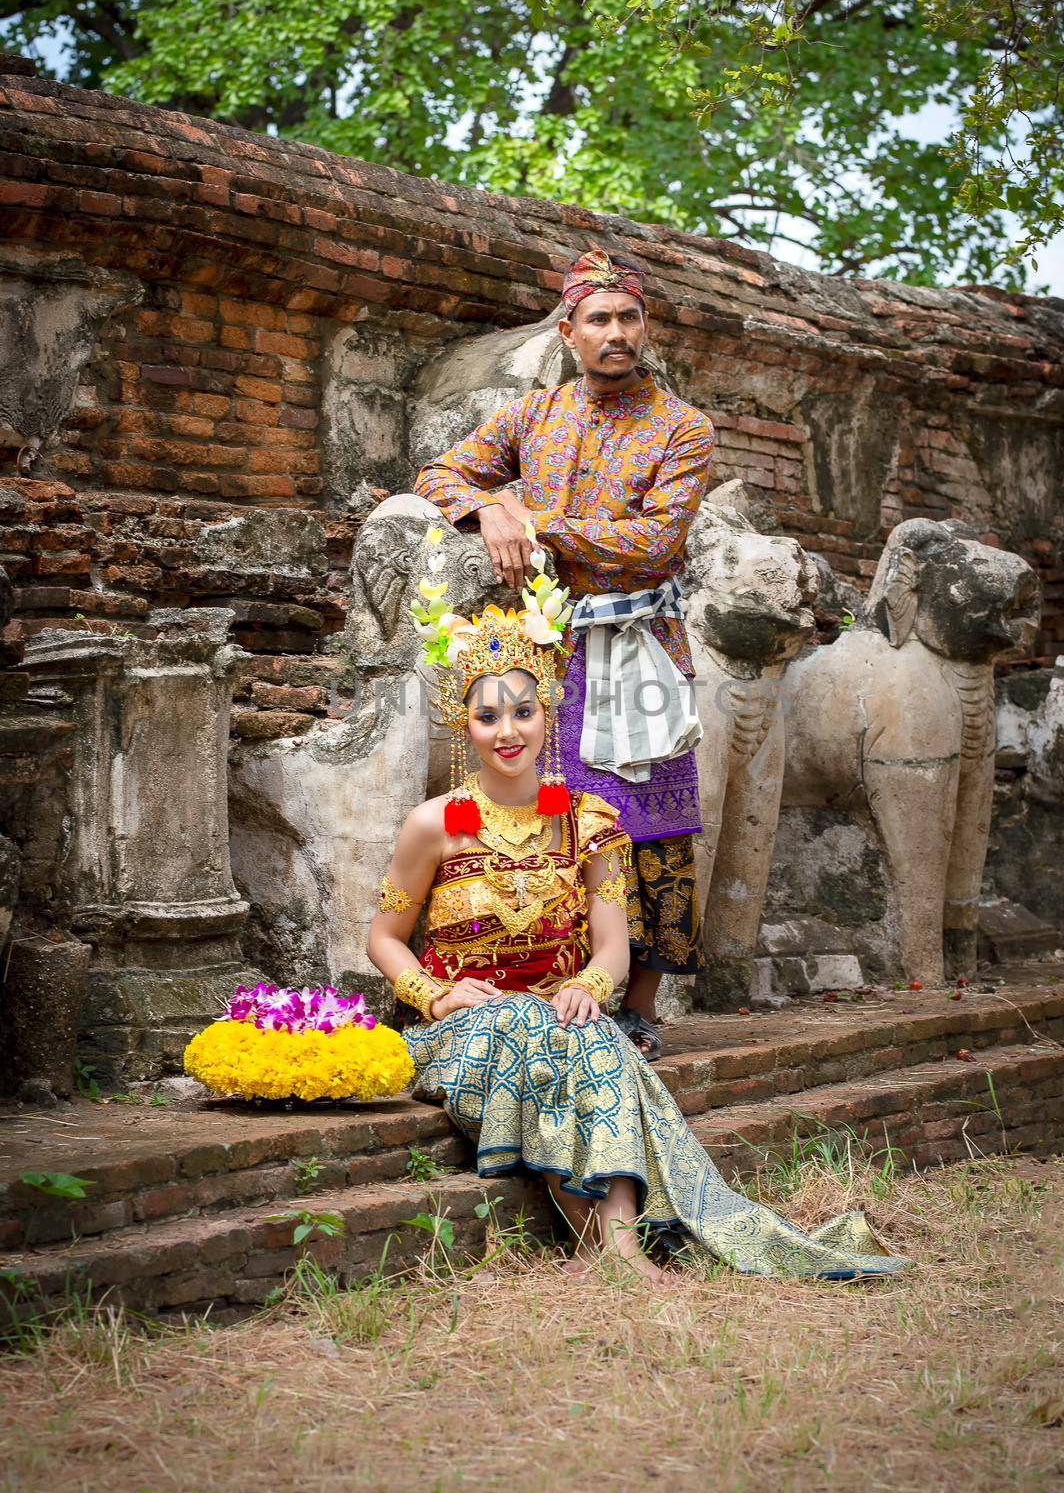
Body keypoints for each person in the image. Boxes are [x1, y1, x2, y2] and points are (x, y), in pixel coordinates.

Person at [364, 534, 910, 1284]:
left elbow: (613, 947)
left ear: (550, 709)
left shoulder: (588, 820)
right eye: (488, 716)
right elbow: (385, 937)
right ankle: (614, 1245)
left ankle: (615, 1248)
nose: (508, 731)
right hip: (460, 1033)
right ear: (466, 725)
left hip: (559, 1020)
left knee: (591, 1038)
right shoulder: (438, 823)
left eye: (523, 711)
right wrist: (435, 993)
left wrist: (591, 988)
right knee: (538, 1027)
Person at [414, 247, 714, 1061]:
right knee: (546, 819)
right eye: (599, 320)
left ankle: (637, 1006)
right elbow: (439, 474)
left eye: (629, 318)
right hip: (544, 651)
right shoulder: (532, 415)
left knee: (649, 828)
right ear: (570, 332)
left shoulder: (683, 427)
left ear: (645, 327)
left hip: (643, 650)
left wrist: (529, 515)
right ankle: (546, 985)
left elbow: (652, 541)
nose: (617, 333)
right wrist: (486, 509)